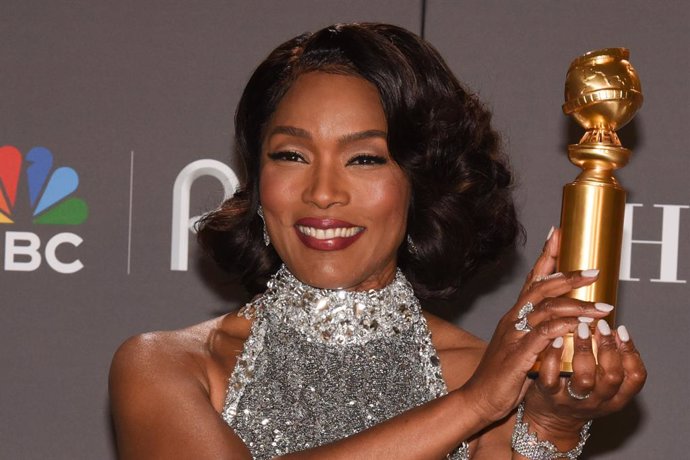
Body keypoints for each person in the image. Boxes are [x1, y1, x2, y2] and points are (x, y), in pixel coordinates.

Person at [109, 23, 646, 459]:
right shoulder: (166, 365)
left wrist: (553, 425)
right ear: (256, 175)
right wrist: (471, 406)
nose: (322, 193)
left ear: (421, 182)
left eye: (365, 159)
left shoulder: (488, 377)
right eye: (291, 155)